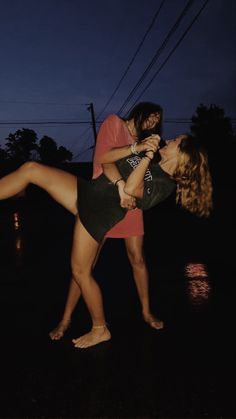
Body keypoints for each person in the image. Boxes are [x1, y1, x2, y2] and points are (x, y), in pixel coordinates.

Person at [0, 133, 213, 348]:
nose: (171, 139)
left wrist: (146, 157)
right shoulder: (148, 158)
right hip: (86, 192)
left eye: (177, 141)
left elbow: (133, 190)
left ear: (183, 155)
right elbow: (106, 160)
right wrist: (133, 155)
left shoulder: (163, 184)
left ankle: (100, 328)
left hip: (98, 213)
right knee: (31, 169)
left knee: (80, 272)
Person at [49, 102, 165, 341]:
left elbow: (146, 178)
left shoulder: (146, 146)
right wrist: (136, 150)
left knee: (138, 258)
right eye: (152, 116)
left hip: (130, 206)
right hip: (103, 204)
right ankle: (66, 319)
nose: (153, 122)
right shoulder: (114, 123)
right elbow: (103, 159)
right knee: (85, 267)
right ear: (140, 111)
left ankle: (146, 312)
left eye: (157, 121)